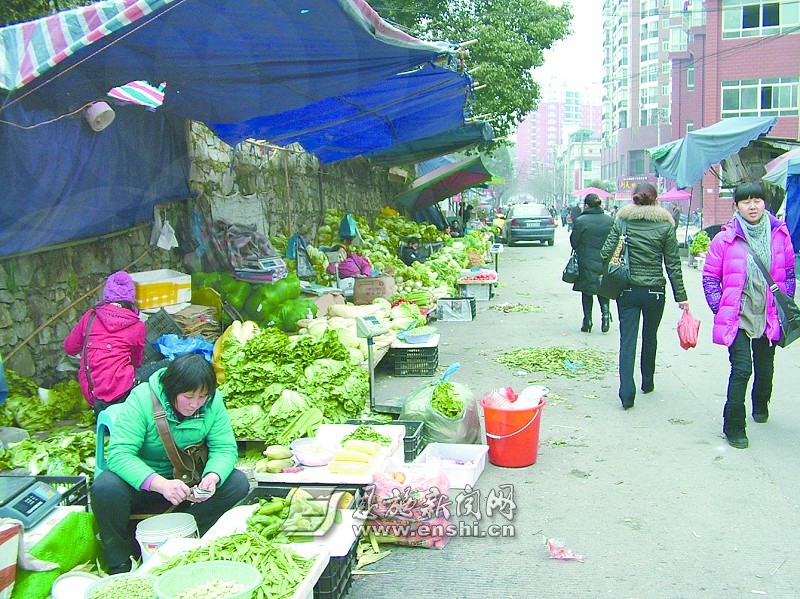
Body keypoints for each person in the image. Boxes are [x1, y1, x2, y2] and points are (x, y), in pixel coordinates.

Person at [91, 354, 249, 573]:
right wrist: (161, 484)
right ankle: (119, 561)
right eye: (188, 396)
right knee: (105, 487)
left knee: (237, 483)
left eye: (202, 396)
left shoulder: (213, 403)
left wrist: (212, 476)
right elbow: (119, 454)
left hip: (188, 483)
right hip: (145, 484)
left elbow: (224, 448)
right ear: (172, 389)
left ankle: (183, 536)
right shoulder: (142, 400)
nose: (195, 404)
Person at [702, 182, 796, 449]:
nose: (752, 206)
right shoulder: (724, 239)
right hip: (738, 314)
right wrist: (720, 307)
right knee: (742, 368)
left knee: (765, 369)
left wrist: (783, 302)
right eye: (746, 201)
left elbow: (789, 273)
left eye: (757, 200)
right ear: (737, 206)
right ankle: (733, 425)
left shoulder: (780, 235)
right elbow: (710, 277)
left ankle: (761, 401)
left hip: (769, 313)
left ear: (764, 203)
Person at [601, 183, 689, 410]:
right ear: (656, 200)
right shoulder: (665, 225)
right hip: (655, 292)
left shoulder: (622, 221)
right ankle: (647, 381)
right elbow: (673, 263)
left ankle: (626, 393)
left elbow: (605, 252)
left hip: (627, 289)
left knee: (627, 340)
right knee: (650, 336)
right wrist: (682, 296)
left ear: (634, 199)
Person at [63, 271, 146, 415]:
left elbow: (70, 348)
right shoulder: (137, 326)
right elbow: (137, 362)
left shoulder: (90, 317)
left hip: (92, 393)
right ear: (131, 296)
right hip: (123, 392)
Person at [570, 194, 614, 333]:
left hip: (586, 260)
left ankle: (587, 321)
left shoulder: (581, 221)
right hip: (604, 260)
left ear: (587, 205)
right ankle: (605, 316)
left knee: (587, 291)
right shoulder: (610, 220)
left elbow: (574, 242)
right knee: (603, 288)